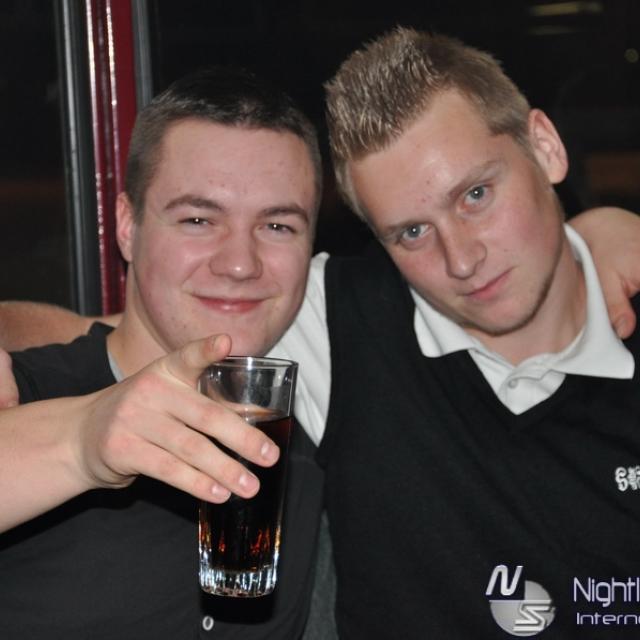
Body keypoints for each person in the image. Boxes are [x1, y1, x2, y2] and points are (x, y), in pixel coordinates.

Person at [3, 33, 640, 639]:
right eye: (411, 232)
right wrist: (79, 433)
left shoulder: (302, 343)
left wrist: (596, 235)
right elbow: (137, 333)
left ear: (546, 147)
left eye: (477, 194)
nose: (463, 257)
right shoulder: (340, 324)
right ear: (127, 226)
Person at [0, 67, 328, 639]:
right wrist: (82, 439)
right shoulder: (26, 393)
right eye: (198, 219)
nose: (240, 264)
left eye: (278, 226)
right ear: (128, 226)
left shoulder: (313, 407)